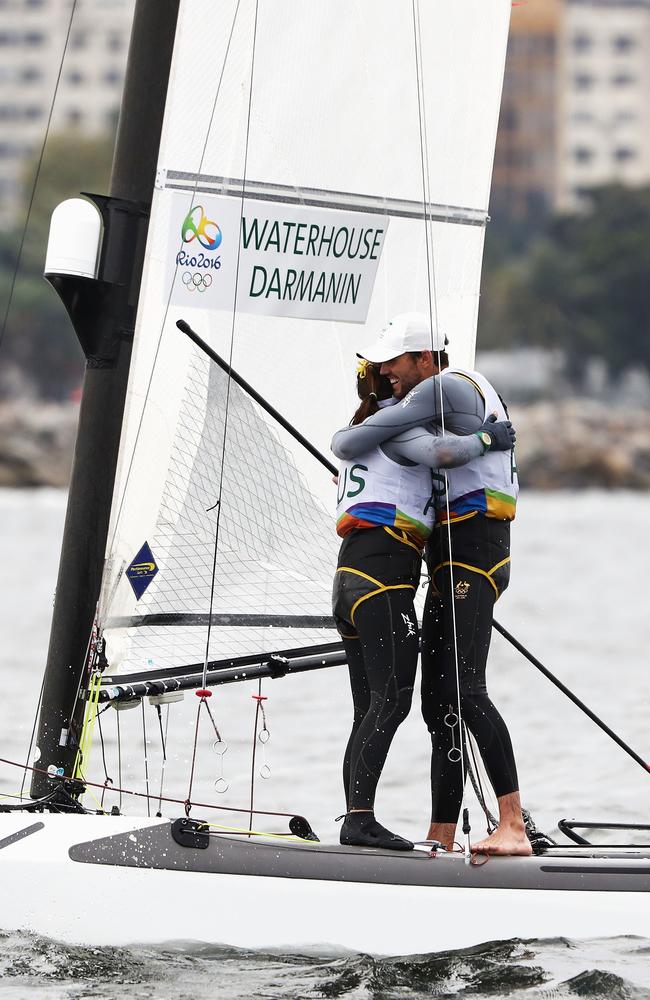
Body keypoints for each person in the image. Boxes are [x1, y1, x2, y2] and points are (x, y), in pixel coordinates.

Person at [331, 312, 531, 857]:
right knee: (435, 702)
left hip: (473, 553)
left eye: (393, 361)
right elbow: (369, 442)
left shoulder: (447, 386)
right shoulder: (411, 416)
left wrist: (486, 438)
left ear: (424, 358)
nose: (385, 370)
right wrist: (491, 438)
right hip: (433, 562)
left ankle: (511, 822)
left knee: (460, 692)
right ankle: (439, 834)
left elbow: (381, 445)